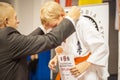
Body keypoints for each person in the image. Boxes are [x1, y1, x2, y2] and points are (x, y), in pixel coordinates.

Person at [0, 2, 80, 80]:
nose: (18, 21)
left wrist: (45, 26)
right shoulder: (7, 38)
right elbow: (51, 39)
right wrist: (70, 19)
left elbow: (25, 42)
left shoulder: (4, 39)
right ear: (6, 21)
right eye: (15, 18)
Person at [39, 1, 109, 80]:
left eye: (55, 26)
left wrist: (86, 64)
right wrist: (56, 58)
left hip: (88, 72)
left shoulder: (82, 24)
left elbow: (102, 47)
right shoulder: (61, 29)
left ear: (62, 15)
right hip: (70, 72)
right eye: (51, 28)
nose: (55, 30)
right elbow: (68, 48)